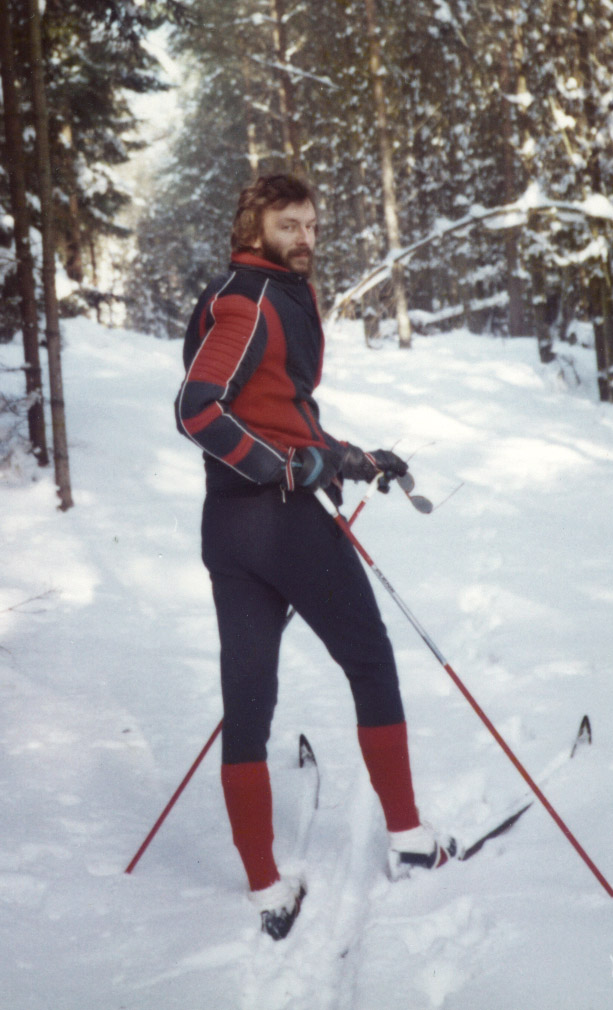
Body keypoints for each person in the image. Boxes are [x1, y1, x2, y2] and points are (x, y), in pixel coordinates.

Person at [175, 174, 455, 941]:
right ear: (252, 227)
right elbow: (198, 409)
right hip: (284, 527)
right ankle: (409, 839)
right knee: (370, 661)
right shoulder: (250, 301)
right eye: (287, 225)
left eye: (310, 225)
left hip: (229, 530)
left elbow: (277, 413)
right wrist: (284, 469)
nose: (304, 238)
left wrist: (353, 458)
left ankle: (265, 887)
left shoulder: (255, 294)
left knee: (248, 701)